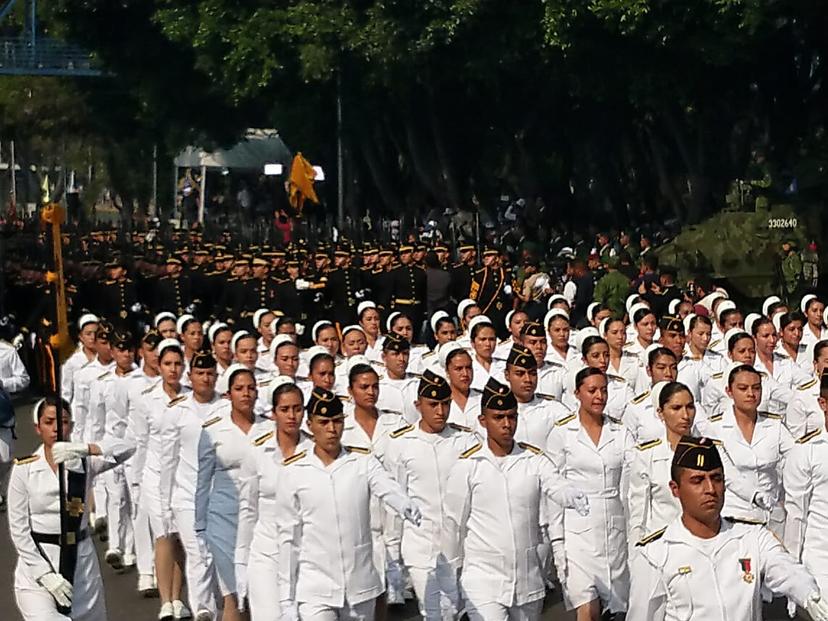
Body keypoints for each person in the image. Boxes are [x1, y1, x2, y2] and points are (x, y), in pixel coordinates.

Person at [626, 436, 828, 621]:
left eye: (716, 478)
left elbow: (787, 570)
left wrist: (810, 596)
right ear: (675, 489)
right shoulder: (656, 555)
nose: (710, 489)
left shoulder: (751, 537)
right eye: (697, 481)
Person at [442, 378, 588, 621]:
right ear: (483, 421)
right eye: (498, 417)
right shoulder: (469, 466)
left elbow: (555, 483)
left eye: (511, 417)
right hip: (483, 579)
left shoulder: (533, 459)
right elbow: (453, 525)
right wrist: (448, 580)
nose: (507, 424)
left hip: (527, 579)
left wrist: (571, 494)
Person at [275, 387, 422, 621]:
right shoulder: (294, 471)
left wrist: (405, 504)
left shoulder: (361, 461)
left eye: (337, 421)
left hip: (359, 585)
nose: (332, 430)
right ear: (310, 424)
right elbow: (288, 538)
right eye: (324, 422)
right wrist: (286, 598)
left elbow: (386, 485)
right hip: (315, 587)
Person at [8, 396, 134, 621]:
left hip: (81, 564)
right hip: (39, 566)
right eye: (49, 422)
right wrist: (44, 574)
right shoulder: (24, 469)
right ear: (38, 428)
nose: (57, 428)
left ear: (72, 426)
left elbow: (129, 447)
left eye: (63, 421)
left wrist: (87, 449)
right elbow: (19, 529)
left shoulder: (84, 462)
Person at [383, 370, 476, 620]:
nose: (440, 411)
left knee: (458, 610)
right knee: (433, 612)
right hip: (420, 543)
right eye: (432, 404)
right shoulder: (401, 443)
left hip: (460, 542)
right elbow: (395, 501)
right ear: (418, 405)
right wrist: (393, 554)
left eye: (445, 404)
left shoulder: (464, 440)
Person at [547, 368, 632, 619]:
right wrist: (557, 542)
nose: (599, 396)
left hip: (614, 529)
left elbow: (633, 477)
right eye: (592, 390)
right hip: (577, 533)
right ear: (577, 393)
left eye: (603, 390)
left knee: (618, 610)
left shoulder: (620, 431)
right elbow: (554, 489)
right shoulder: (563, 432)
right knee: (588, 609)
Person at [195, 364, 272, 620]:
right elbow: (203, 480)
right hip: (223, 520)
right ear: (228, 394)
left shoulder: (270, 429)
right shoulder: (213, 429)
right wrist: (199, 526)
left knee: (259, 590)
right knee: (233, 593)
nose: (246, 394)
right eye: (239, 389)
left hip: (261, 519)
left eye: (251, 388)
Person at [236, 379, 313, 621]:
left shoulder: (315, 450)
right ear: (273, 413)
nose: (292, 415)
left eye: (297, 408)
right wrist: (241, 559)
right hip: (266, 550)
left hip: (306, 553)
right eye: (285, 409)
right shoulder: (258, 451)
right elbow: (248, 509)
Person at [697, 364, 794, 535]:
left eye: (756, 388)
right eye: (743, 388)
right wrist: (754, 494)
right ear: (729, 391)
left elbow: (795, 456)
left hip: (772, 515)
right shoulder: (716, 427)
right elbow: (725, 471)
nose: (751, 394)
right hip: (735, 515)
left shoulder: (775, 425)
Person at [161, 351, 223, 621]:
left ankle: (220, 604)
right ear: (191, 376)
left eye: (210, 373)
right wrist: (164, 506)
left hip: (219, 496)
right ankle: (203, 609)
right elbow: (167, 459)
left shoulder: (226, 407)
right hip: (186, 495)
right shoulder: (177, 410)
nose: (205, 378)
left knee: (218, 556)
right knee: (199, 554)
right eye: (200, 373)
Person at [141, 339, 192, 620]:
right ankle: (164, 601)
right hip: (155, 475)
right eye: (168, 364)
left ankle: (177, 597)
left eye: (177, 364)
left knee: (180, 537)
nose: (173, 370)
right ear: (158, 366)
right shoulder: (148, 399)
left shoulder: (191, 397)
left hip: (183, 476)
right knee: (163, 535)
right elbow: (139, 441)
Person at [626, 382, 696, 549]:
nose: (685, 415)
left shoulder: (708, 451)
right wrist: (636, 552)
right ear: (660, 413)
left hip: (699, 545)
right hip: (662, 545)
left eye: (690, 407)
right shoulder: (646, 455)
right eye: (676, 408)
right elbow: (638, 512)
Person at [784, 374, 828, 602]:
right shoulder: (807, 452)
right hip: (821, 561)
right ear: (823, 404)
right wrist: (794, 577)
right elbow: (796, 517)